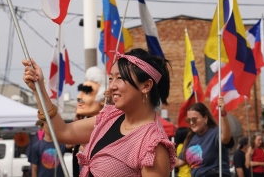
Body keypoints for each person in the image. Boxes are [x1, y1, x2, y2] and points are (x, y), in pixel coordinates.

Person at [23, 48, 175, 177]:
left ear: (146, 86)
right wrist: (39, 88)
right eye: (110, 78)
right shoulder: (110, 117)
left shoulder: (152, 145)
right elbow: (62, 132)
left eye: (120, 78)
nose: (112, 87)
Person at [175, 100, 235, 177]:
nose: (191, 123)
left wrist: (223, 114)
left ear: (205, 118)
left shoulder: (215, 133)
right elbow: (179, 162)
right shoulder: (190, 139)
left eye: (194, 119)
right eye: (188, 120)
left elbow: (226, 138)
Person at [72, 66, 106, 177]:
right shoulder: (85, 125)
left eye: (86, 92)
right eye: (81, 91)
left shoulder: (108, 128)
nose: (78, 96)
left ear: (102, 99)